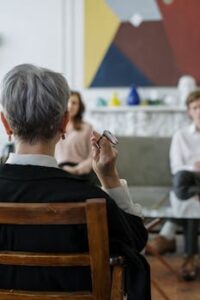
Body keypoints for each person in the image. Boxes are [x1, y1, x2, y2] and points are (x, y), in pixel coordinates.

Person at [0, 64, 150, 299]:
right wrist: (109, 178)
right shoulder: (89, 198)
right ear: (64, 123)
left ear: (5, 124)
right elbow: (136, 242)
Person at [147, 90, 200, 280]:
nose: (199, 111)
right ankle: (189, 257)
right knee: (182, 183)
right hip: (187, 181)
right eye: (195, 107)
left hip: (188, 189)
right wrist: (193, 165)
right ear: (189, 112)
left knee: (186, 198)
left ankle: (167, 234)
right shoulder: (181, 135)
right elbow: (176, 167)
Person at [55, 91, 96, 183]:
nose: (70, 105)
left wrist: (76, 170)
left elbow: (93, 157)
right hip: (58, 171)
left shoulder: (87, 128)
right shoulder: (54, 127)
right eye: (67, 102)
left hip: (81, 173)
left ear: (79, 107)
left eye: (74, 103)